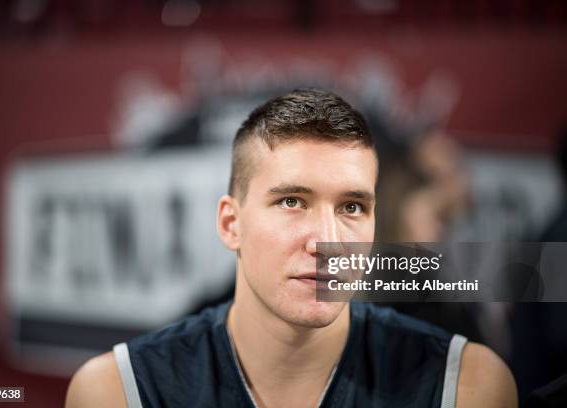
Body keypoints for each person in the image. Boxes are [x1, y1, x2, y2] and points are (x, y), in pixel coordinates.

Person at [65, 89, 517, 407]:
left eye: (352, 206)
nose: (327, 240)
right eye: (292, 202)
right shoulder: (122, 392)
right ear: (230, 223)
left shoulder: (464, 385)